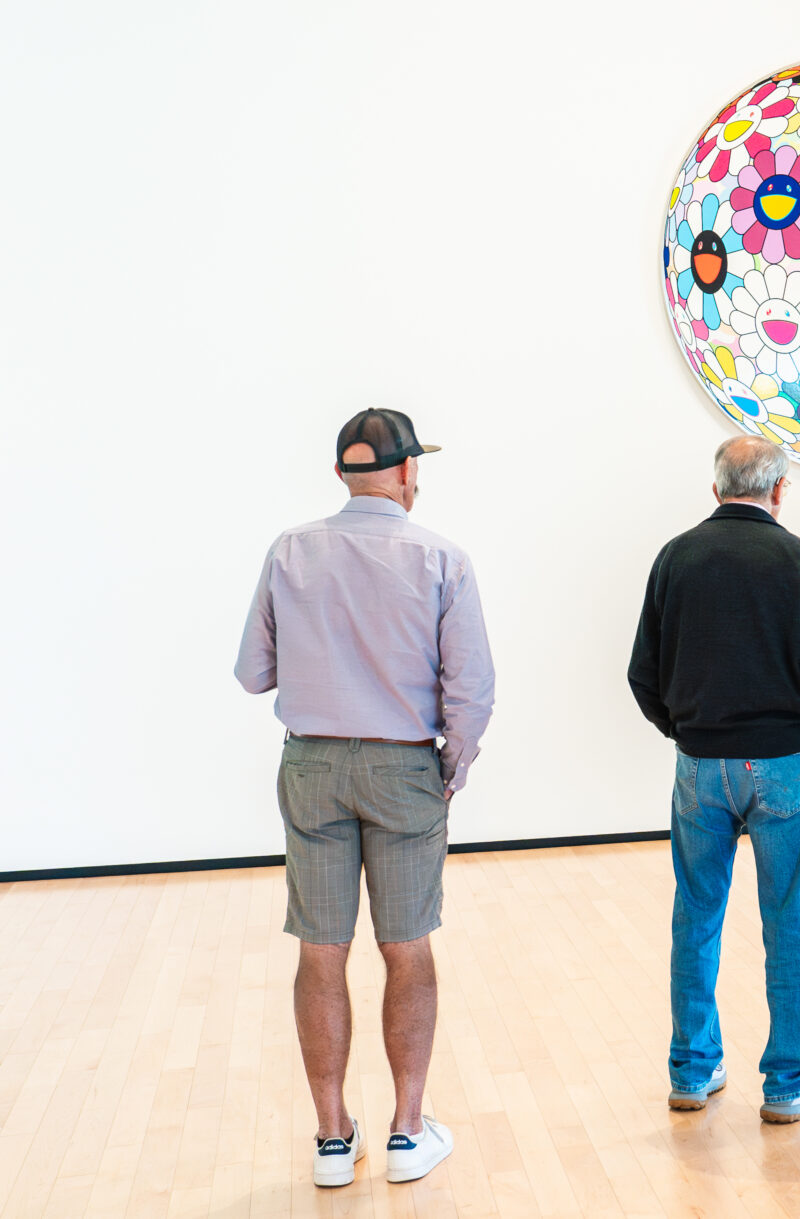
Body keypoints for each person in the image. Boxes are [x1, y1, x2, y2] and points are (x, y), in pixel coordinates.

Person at [234, 408, 493, 1188]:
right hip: (405, 767)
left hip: (311, 765)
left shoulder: (290, 549)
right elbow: (471, 690)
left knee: (321, 949)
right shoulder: (442, 558)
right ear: (409, 472)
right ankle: (408, 1131)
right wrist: (450, 769)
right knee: (406, 946)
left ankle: (331, 1139)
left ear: (340, 474)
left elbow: (253, 672)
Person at [627, 436, 800, 1122]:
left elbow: (643, 673)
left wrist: (686, 732)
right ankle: (789, 1082)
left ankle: (692, 1072)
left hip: (700, 763)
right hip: (784, 761)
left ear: (717, 487)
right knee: (792, 920)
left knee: (696, 914)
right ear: (779, 490)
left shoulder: (676, 557)